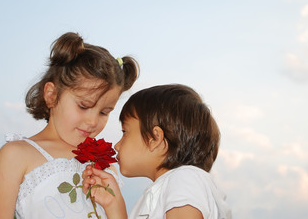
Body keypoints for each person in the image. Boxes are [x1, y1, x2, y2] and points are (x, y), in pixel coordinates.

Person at [0, 32, 139, 219]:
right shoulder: (17, 154)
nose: (93, 121)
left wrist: (115, 205)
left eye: (104, 112)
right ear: (52, 95)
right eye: (83, 106)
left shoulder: (105, 166)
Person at [82, 84, 232, 219]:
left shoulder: (184, 178)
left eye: (125, 132)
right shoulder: (167, 188)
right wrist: (114, 206)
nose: (117, 145)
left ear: (155, 138)